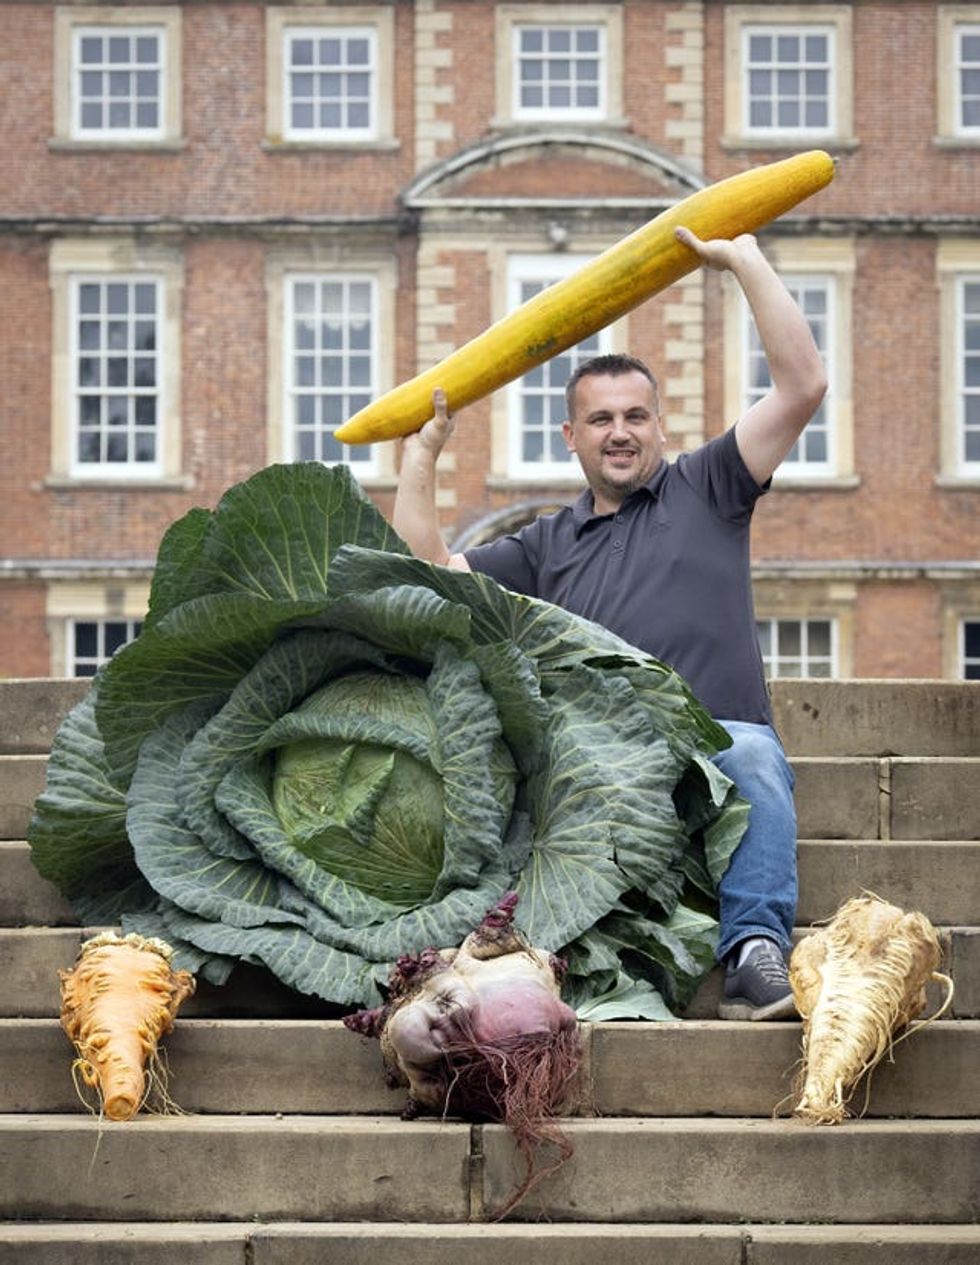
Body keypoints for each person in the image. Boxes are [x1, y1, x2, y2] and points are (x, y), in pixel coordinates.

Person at [392, 226, 828, 1020]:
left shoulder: (712, 485)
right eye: (600, 420)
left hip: (719, 744)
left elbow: (802, 384)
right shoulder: (544, 545)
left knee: (760, 753)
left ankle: (755, 953)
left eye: (635, 416)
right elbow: (432, 564)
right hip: (606, 766)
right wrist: (422, 453)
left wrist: (742, 258)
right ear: (571, 436)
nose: (619, 431)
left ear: (660, 427)